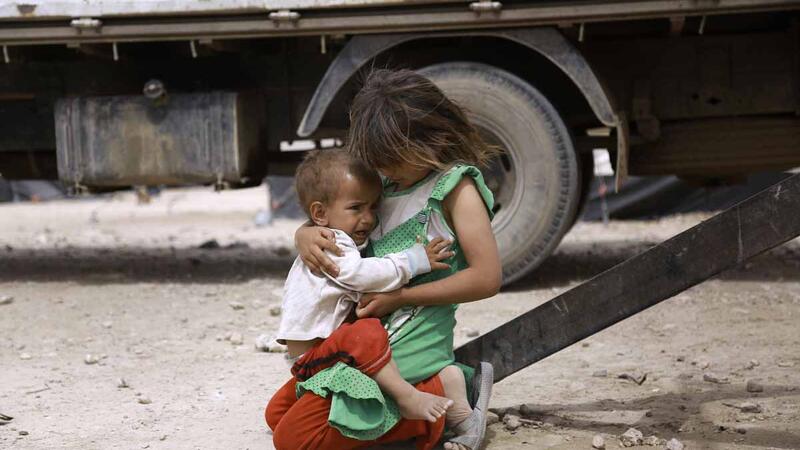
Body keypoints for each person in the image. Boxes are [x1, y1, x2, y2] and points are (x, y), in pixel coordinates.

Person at [267, 68, 502, 450]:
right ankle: (431, 394)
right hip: (365, 335)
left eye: (391, 158)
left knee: (295, 439)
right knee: (278, 415)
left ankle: (443, 391)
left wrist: (401, 297)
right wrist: (305, 233)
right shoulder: (386, 185)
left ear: (426, 139)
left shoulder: (456, 189)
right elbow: (339, 222)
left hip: (412, 334)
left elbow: (486, 278)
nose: (384, 167)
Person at [274, 148, 455, 424]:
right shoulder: (332, 242)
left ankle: (423, 403)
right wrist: (415, 261)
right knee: (365, 332)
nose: (368, 218)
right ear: (319, 213)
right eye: (356, 208)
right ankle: (407, 396)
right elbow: (359, 274)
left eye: (373, 207)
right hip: (317, 353)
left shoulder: (326, 235)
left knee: (278, 415)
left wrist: (303, 231)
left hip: (310, 358)